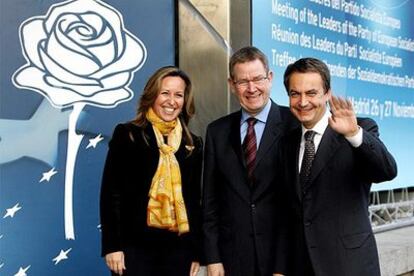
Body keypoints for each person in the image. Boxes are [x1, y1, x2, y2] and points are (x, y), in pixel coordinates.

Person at [278, 57, 397, 275]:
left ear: (327, 94)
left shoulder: (359, 129)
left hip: (349, 265)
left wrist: (354, 134)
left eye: (311, 93)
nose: (303, 102)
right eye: (295, 94)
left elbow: (387, 171)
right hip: (301, 266)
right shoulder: (287, 142)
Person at [202, 46, 297, 276]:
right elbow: (210, 201)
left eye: (257, 79)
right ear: (231, 84)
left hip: (283, 259)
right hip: (233, 259)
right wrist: (212, 258)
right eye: (243, 81)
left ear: (270, 78)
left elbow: (299, 205)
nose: (251, 88)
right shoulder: (217, 131)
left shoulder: (294, 124)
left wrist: (282, 266)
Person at [100, 66, 203, 276]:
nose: (171, 101)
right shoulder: (128, 135)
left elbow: (194, 200)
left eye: (178, 95)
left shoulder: (193, 144)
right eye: (165, 93)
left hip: (179, 251)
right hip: (134, 250)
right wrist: (113, 246)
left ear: (185, 101)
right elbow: (111, 194)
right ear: (152, 95)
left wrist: (197, 252)